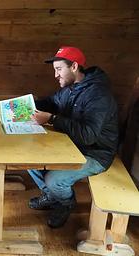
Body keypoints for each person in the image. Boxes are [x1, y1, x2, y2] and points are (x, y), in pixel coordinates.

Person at [29, 46, 119, 228]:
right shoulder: (70, 88)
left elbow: (88, 136)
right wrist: (26, 104)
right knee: (28, 158)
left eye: (59, 69)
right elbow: (52, 102)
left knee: (54, 180)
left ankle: (65, 203)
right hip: (71, 145)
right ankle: (53, 196)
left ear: (74, 67)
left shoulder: (98, 95)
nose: (56, 75)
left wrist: (52, 119)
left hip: (95, 154)